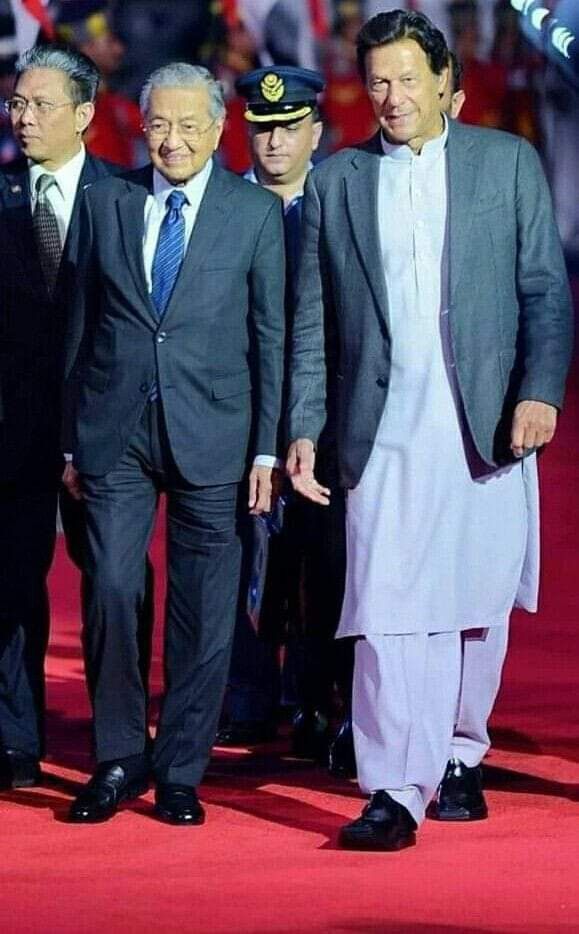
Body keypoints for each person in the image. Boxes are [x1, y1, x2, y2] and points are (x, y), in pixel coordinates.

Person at [287, 9, 573, 851]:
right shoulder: (337, 182)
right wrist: (304, 426)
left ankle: (458, 752)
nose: (392, 96)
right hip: (377, 429)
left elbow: (543, 292)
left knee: (474, 600)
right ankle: (390, 787)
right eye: (378, 80)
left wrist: (538, 393)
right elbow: (313, 322)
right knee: (380, 604)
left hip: (483, 421)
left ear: (446, 82)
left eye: (408, 78)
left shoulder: (505, 162)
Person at [62, 63, 285, 825]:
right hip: (114, 430)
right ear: (141, 126)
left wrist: (266, 451)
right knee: (111, 588)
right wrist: (69, 440)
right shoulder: (107, 201)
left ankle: (181, 767)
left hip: (215, 432)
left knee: (203, 606)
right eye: (160, 124)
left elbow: (270, 338)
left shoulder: (253, 214)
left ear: (218, 131)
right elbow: (79, 323)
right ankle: (119, 756)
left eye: (190, 126)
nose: (173, 140)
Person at [219, 65, 354, 773]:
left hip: (323, 417)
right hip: (234, 414)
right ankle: (245, 693)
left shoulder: (342, 203)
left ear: (316, 133)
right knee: (235, 554)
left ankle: (314, 696)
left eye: (289, 128)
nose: (274, 142)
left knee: (318, 559)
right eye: (263, 129)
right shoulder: (219, 205)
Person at [0, 44, 127, 790]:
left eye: (40, 105)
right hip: (12, 426)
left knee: (113, 579)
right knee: (12, 581)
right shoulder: (2, 195)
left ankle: (119, 738)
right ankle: (16, 740)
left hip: (102, 427)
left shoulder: (124, 196)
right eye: (16, 103)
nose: (23, 117)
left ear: (83, 114)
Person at [54, 0, 144, 168]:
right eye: (110, 41)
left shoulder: (112, 101)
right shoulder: (72, 109)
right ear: (86, 48)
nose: (119, 49)